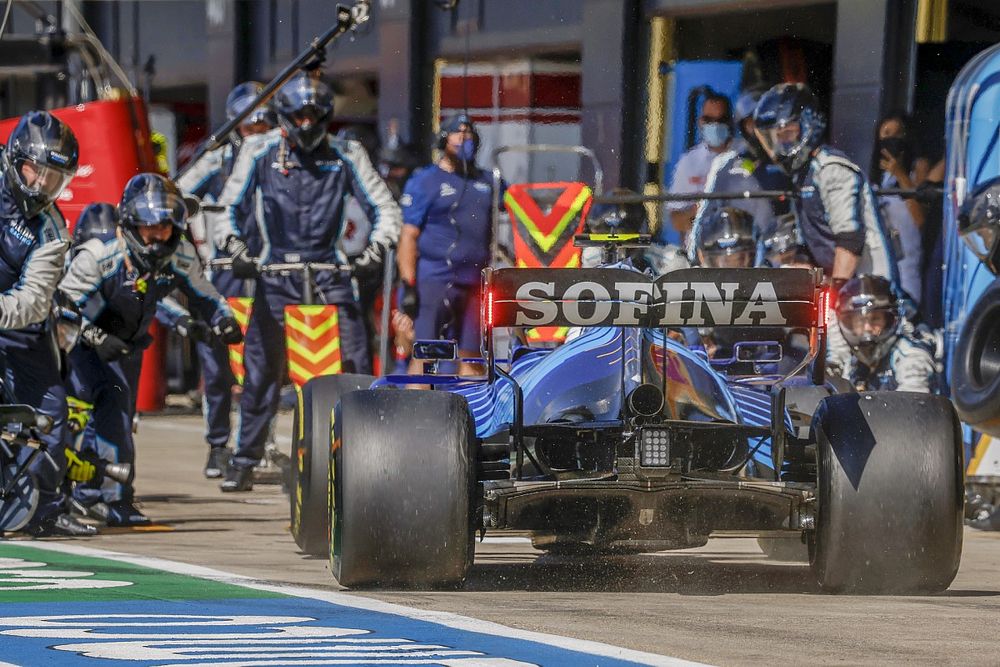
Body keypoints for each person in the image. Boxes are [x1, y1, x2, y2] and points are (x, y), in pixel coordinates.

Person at [213, 72, 401, 492]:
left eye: (314, 114)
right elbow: (225, 207)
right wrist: (237, 248)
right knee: (260, 370)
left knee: (354, 364)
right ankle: (243, 460)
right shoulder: (259, 151)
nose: (306, 123)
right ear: (284, 116)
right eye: (298, 115)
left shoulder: (346, 153)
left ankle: (361, 455)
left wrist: (373, 251)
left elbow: (385, 209)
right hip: (274, 272)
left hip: (331, 273)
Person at [58, 174, 242, 525]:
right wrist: (96, 337)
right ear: (130, 224)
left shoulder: (179, 254)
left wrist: (223, 320)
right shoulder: (99, 254)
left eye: (166, 226)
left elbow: (205, 295)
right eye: (150, 227)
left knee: (119, 422)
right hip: (77, 348)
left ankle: (113, 500)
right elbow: (61, 307)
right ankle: (62, 497)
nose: (159, 236)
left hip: (126, 349)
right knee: (73, 421)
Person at [753, 83, 900, 376]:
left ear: (808, 125)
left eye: (788, 134)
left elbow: (850, 239)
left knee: (846, 367)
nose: (781, 144)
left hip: (867, 292)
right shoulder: (804, 173)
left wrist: (832, 296)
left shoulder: (832, 169)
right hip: (841, 289)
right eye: (776, 137)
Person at [177, 81, 275, 479]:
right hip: (222, 270)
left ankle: (256, 444)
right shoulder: (217, 158)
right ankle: (217, 444)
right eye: (249, 125)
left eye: (263, 123)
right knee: (216, 363)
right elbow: (178, 193)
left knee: (263, 364)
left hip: (267, 270)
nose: (257, 131)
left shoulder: (279, 154)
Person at [0, 110, 88, 537]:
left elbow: (34, 302)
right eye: (38, 174)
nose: (43, 187)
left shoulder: (52, 229)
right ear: (17, 161)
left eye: (55, 180)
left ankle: (45, 510)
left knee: (50, 409)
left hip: (19, 322)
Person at [398, 114, 499, 375]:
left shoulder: (488, 181)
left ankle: (471, 412)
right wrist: (408, 287)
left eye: (469, 134)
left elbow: (520, 208)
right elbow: (408, 236)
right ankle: (416, 411)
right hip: (434, 279)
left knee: (472, 357)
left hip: (476, 283)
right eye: (458, 133)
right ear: (443, 139)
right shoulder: (425, 181)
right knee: (424, 353)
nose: (464, 139)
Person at [687, 88, 792, 263]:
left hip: (775, 261)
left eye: (764, 122)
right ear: (742, 125)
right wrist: (694, 259)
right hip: (735, 259)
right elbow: (704, 217)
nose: (759, 130)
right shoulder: (726, 165)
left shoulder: (789, 164)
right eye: (752, 123)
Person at [835, 275, 936, 392]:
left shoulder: (910, 354)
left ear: (889, 319)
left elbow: (914, 400)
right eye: (860, 321)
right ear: (849, 323)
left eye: (875, 319)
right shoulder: (852, 363)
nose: (867, 328)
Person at [664, 92, 734, 241]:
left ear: (730, 122)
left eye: (720, 120)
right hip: (699, 251)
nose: (714, 125)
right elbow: (677, 221)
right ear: (700, 121)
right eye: (708, 120)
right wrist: (699, 211)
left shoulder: (742, 157)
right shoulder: (689, 161)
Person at [873, 112, 923, 305]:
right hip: (882, 265)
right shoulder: (875, 178)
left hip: (908, 266)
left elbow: (920, 219)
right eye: (886, 134)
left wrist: (900, 175)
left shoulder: (916, 170)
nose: (891, 140)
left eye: (897, 134)